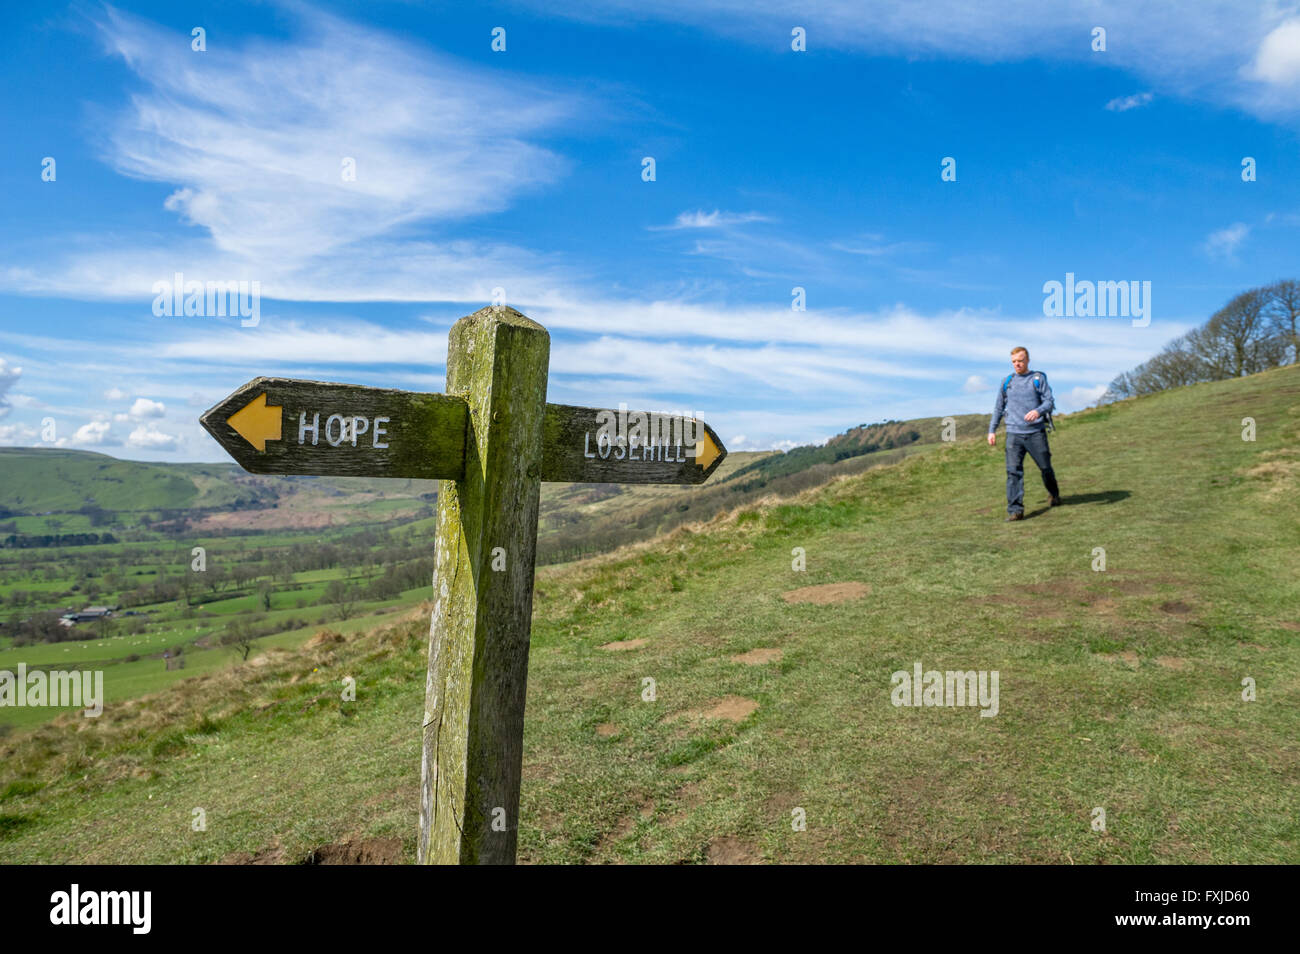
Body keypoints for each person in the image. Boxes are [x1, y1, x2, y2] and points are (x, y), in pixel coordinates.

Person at [987, 346, 1061, 521]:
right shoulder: (1007, 382)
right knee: (1013, 472)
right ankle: (1015, 511)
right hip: (1013, 434)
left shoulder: (1037, 378)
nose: (1017, 364)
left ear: (1027, 360)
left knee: (1045, 468)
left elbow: (1049, 401)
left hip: (1036, 432)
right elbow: (998, 407)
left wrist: (1038, 411)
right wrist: (992, 430)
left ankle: (1054, 494)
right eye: (1014, 361)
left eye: (1020, 361)